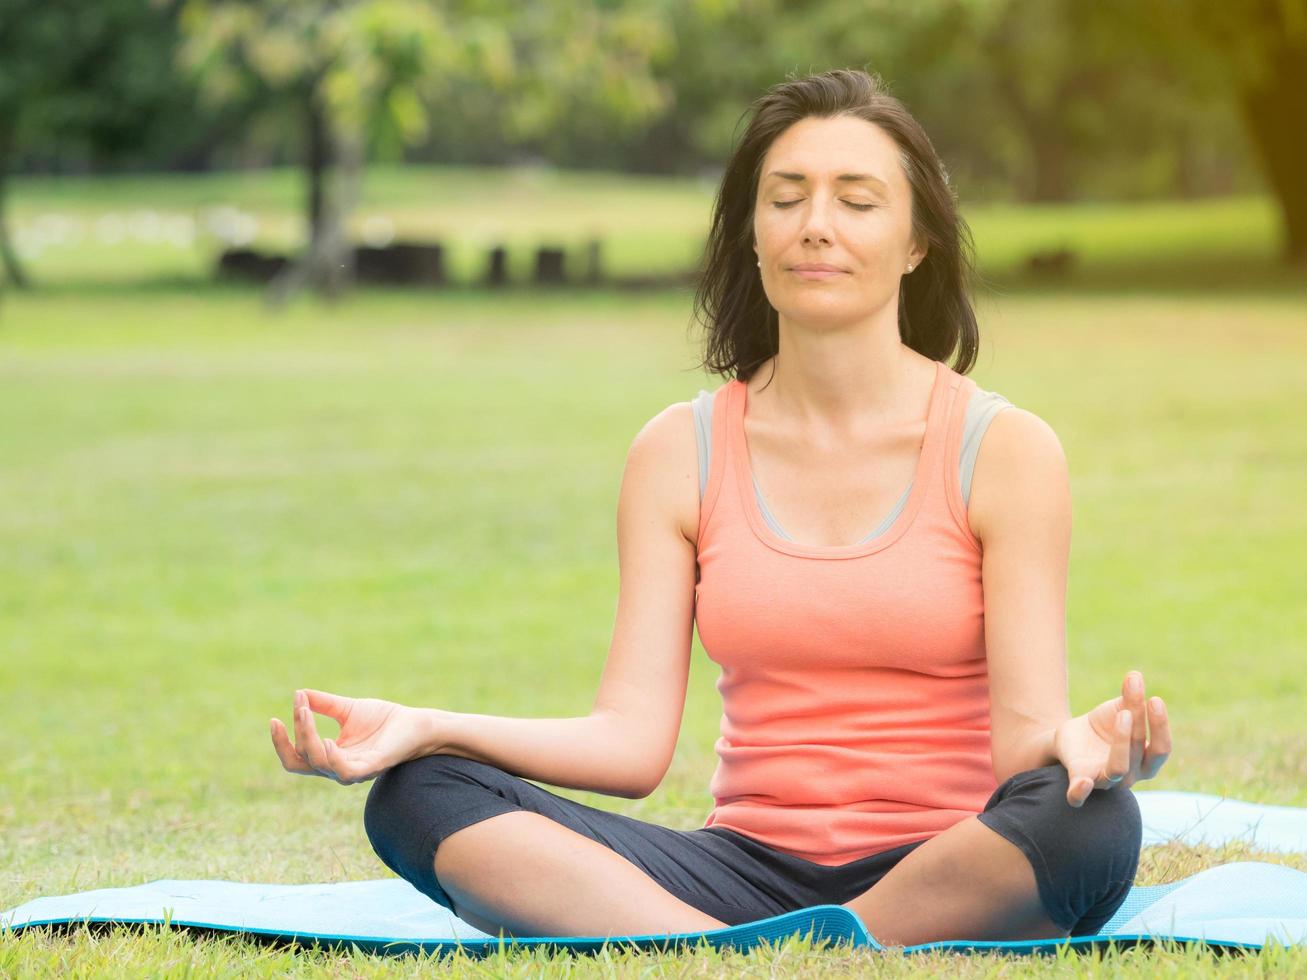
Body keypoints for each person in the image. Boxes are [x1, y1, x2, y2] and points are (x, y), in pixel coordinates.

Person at [269, 68, 1173, 946]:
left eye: (856, 201)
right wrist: (428, 728)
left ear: (915, 241)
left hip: (947, 860)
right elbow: (629, 745)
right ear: (750, 230)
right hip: (736, 871)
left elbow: (1024, 750)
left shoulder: (1004, 449)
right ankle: (764, 951)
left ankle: (735, 955)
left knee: (1091, 822)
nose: (816, 226)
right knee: (419, 795)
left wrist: (1082, 745)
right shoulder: (678, 450)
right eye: (785, 198)